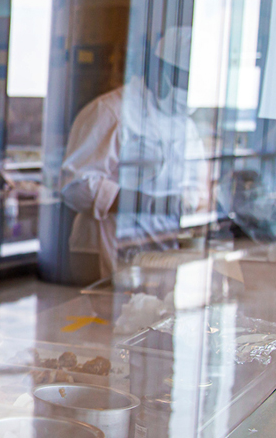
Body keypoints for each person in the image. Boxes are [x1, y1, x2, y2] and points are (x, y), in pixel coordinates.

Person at [61, 26, 209, 278]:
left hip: (161, 251)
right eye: (181, 80)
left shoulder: (186, 124)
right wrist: (144, 202)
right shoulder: (111, 112)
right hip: (106, 247)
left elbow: (199, 187)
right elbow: (75, 187)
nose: (186, 91)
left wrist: (186, 202)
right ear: (159, 70)